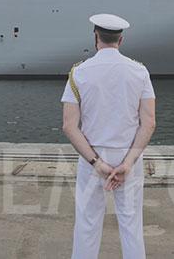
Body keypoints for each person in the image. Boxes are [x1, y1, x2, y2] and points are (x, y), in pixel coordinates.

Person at [61, 13, 157, 259]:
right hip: (129, 154)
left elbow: (69, 126)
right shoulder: (140, 71)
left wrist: (97, 163)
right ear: (121, 39)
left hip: (91, 154)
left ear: (96, 37)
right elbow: (148, 123)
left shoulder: (79, 72)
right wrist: (127, 164)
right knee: (131, 223)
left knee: (87, 223)